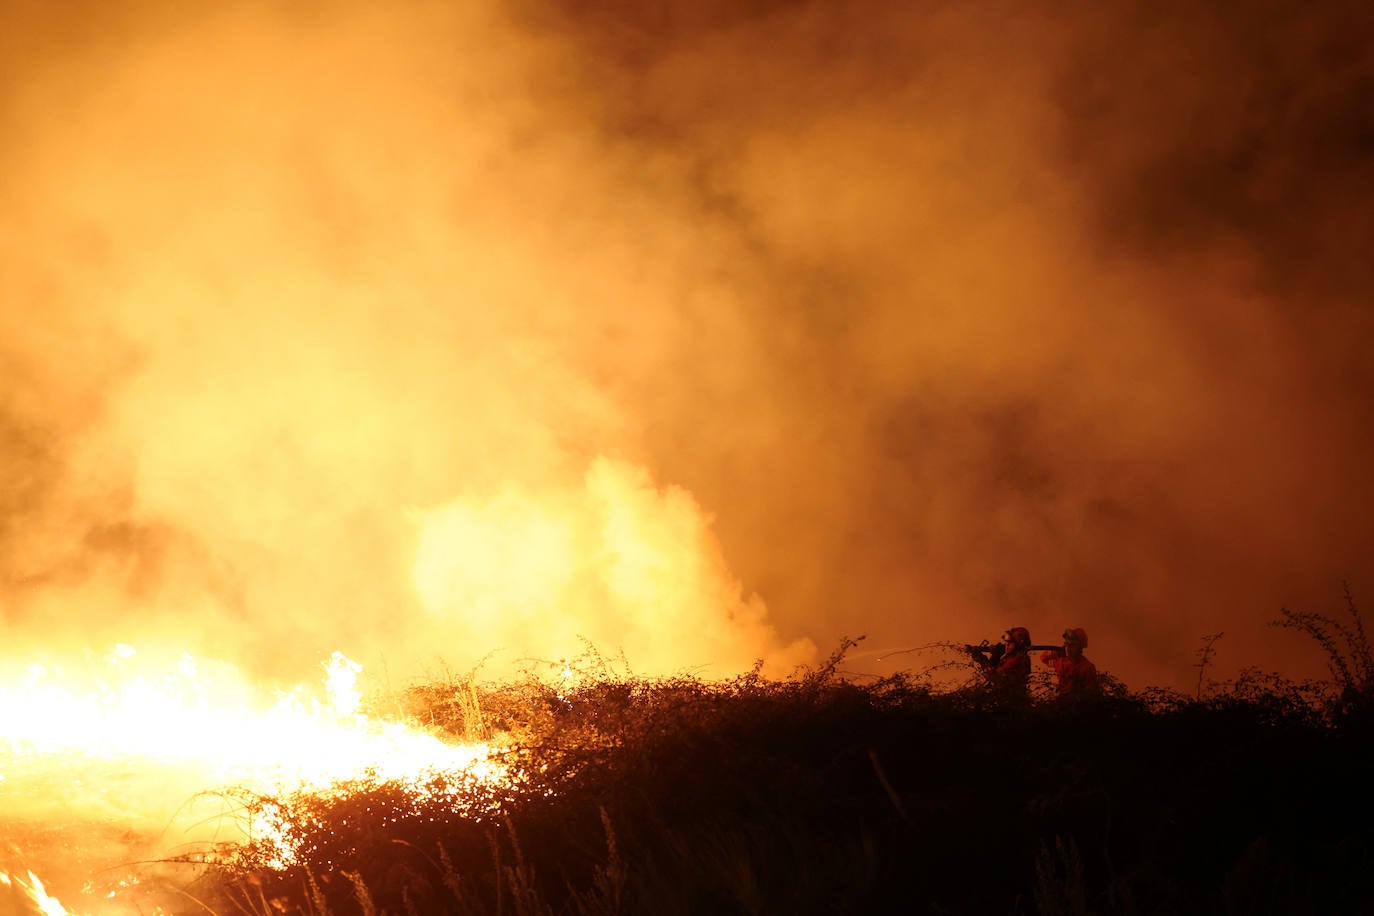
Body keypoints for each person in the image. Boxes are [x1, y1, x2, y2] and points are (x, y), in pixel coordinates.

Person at [968, 627, 1034, 697]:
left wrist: (981, 659)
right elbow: (995, 669)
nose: (1006, 645)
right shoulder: (1013, 657)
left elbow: (994, 677)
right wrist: (995, 656)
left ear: (1020, 643)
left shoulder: (1016, 660)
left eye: (1009, 642)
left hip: (1009, 701)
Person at [1040, 627, 1100, 697]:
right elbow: (1043, 658)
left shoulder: (1087, 667)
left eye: (1073, 645)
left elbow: (1092, 692)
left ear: (1081, 647)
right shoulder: (1060, 661)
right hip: (1062, 701)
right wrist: (1056, 652)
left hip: (1079, 703)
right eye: (1067, 644)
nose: (1069, 647)